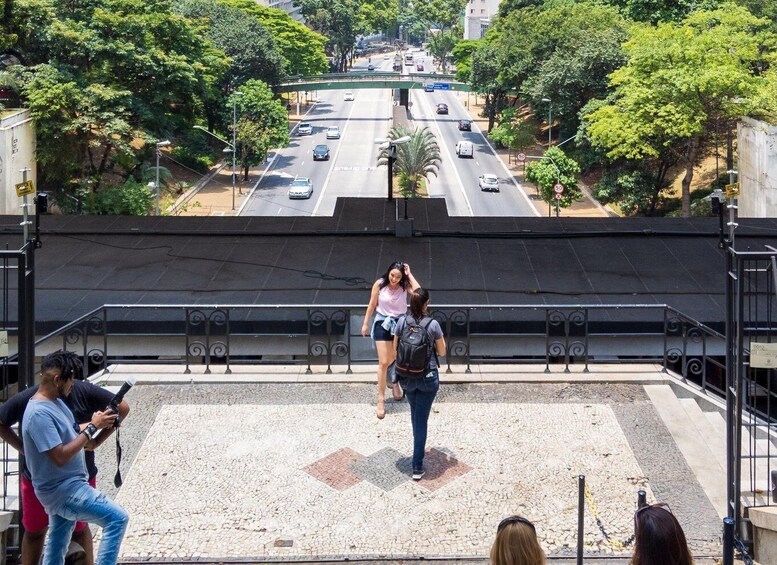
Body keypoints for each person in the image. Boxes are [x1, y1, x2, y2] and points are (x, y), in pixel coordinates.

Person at [0, 350, 130, 565]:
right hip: (63, 490)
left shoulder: (57, 403)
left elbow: (71, 431)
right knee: (117, 519)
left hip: (66, 486)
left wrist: (98, 424)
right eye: (71, 380)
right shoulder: (38, 413)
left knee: (58, 543)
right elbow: (59, 456)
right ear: (58, 379)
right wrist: (91, 428)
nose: (74, 385)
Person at [393, 288, 445, 479]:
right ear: (426, 304)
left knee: (416, 416)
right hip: (427, 377)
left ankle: (417, 453)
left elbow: (395, 348)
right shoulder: (433, 325)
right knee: (421, 419)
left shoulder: (401, 322)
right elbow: (442, 352)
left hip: (406, 377)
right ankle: (417, 466)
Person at [361, 261, 420, 419]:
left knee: (395, 357)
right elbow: (372, 304)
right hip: (383, 322)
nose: (394, 279)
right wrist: (366, 323)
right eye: (392, 275)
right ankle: (380, 399)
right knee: (383, 361)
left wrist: (409, 274)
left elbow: (419, 292)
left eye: (398, 276)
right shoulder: (380, 285)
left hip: (400, 324)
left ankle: (394, 382)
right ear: (388, 273)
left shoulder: (403, 286)